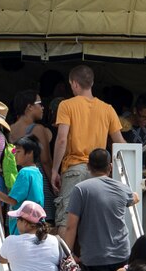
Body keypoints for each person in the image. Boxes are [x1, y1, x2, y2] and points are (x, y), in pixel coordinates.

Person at [60, 149, 140, 271]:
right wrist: (133, 197)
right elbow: (135, 198)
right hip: (121, 254)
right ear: (110, 167)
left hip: (94, 257)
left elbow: (71, 226)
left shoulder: (80, 189)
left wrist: (68, 255)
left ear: (88, 166)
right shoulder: (122, 188)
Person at [50, 65, 125, 225]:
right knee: (93, 223)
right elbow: (120, 143)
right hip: (98, 172)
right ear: (91, 83)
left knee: (66, 221)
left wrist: (54, 170)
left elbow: (62, 139)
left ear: (75, 84)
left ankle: (67, 251)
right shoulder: (108, 109)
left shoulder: (66, 105)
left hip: (74, 170)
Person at [0, 139, 46, 233]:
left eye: (18, 151)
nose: (15, 155)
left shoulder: (25, 172)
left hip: (23, 227)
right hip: (36, 224)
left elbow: (12, 200)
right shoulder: (37, 172)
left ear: (30, 153)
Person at [8, 91, 52, 173]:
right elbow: (45, 161)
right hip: (36, 179)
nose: (43, 108)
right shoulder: (37, 129)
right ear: (30, 106)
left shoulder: (9, 129)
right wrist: (53, 181)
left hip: (17, 179)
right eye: (40, 104)